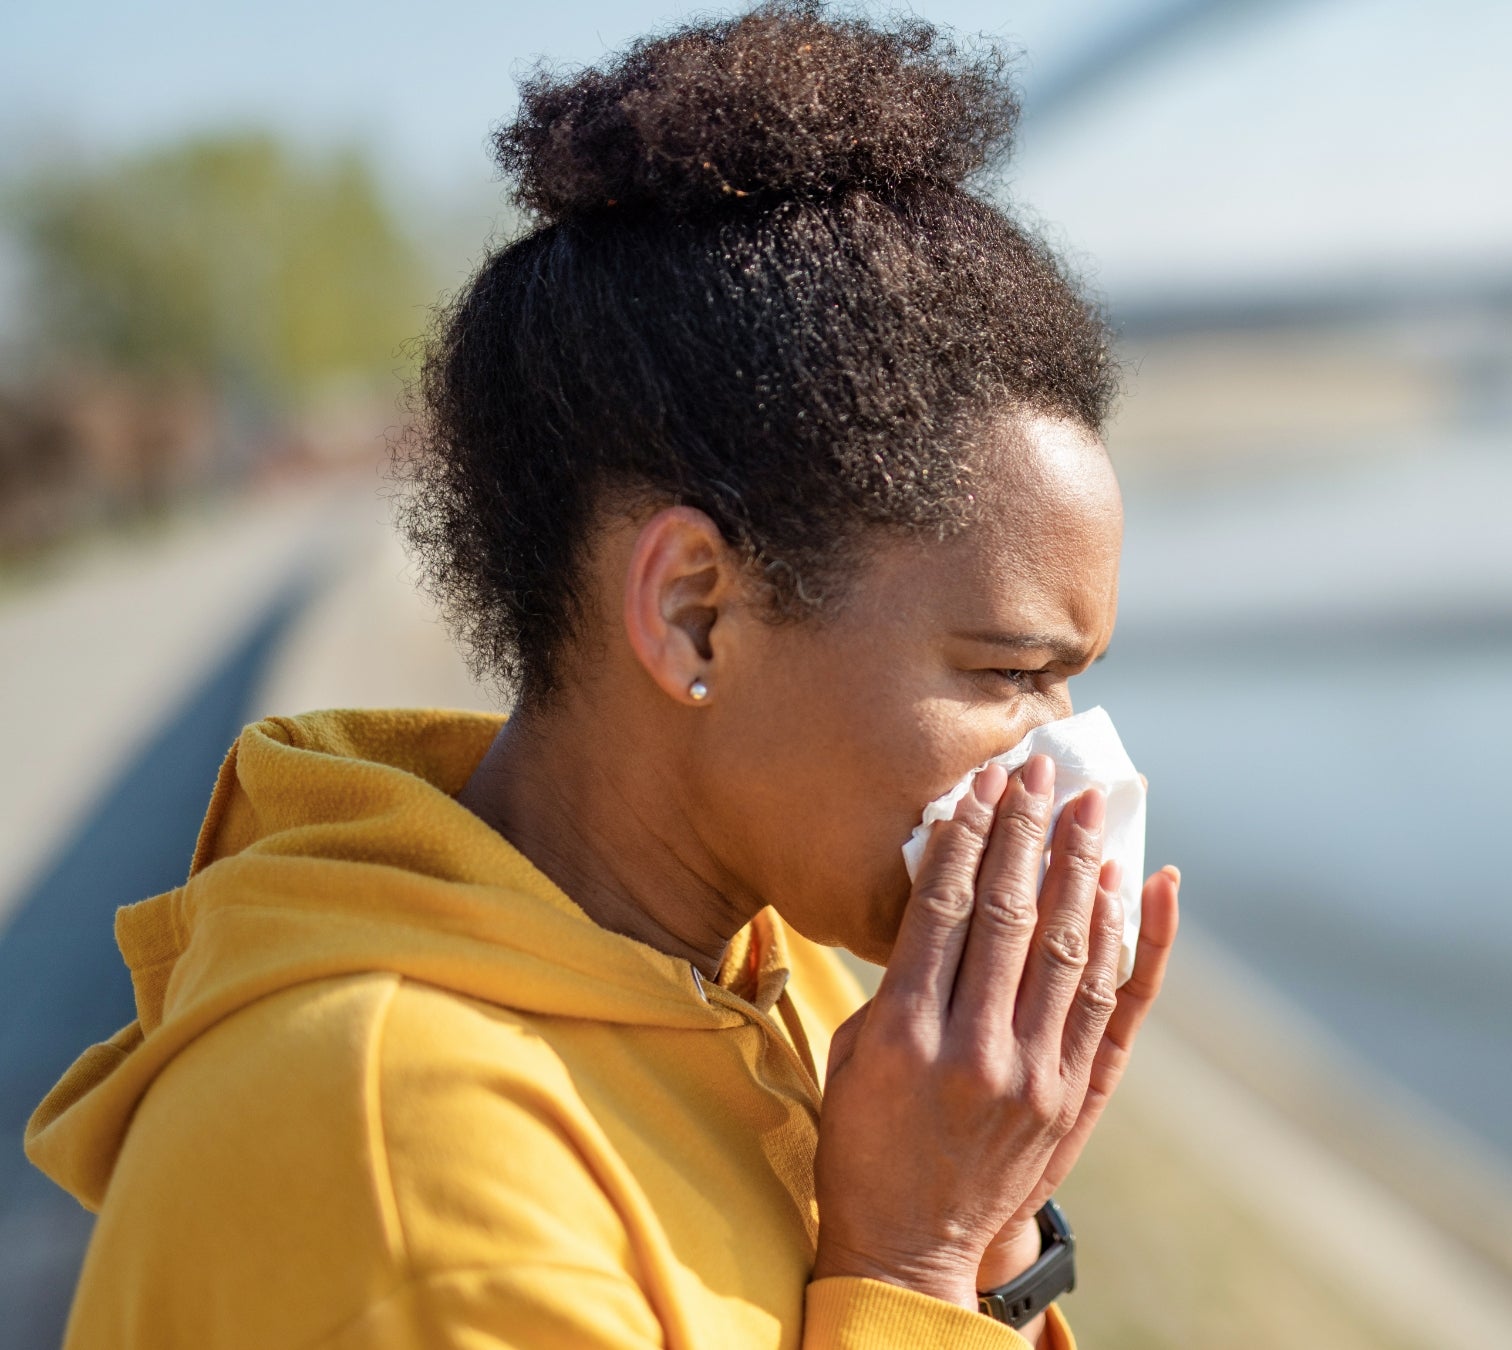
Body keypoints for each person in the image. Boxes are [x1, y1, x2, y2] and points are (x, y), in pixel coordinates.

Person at [23, 4, 1181, 1346]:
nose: (1064, 757)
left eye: (1073, 681)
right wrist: (913, 1257)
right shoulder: (408, 1169)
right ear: (693, 613)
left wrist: (993, 1234)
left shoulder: (777, 971)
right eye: (1007, 672)